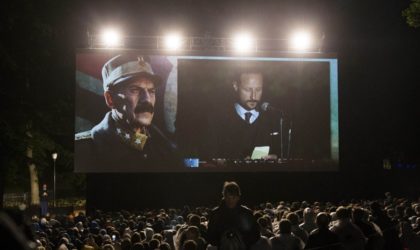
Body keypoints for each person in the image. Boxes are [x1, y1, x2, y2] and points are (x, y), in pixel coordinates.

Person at [75, 54, 178, 171]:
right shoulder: (83, 150)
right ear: (110, 99)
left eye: (151, 91)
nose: (147, 99)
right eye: (134, 90)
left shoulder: (166, 149)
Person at [206, 69, 282, 160]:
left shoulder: (273, 119)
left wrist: (276, 158)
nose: (253, 96)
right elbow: (207, 157)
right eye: (247, 90)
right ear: (235, 86)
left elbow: (285, 155)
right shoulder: (217, 120)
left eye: (258, 89)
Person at [207, 181, 260, 249]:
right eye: (228, 197)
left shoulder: (246, 213)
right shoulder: (215, 214)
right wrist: (223, 240)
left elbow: (255, 234)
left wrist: (241, 240)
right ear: (224, 196)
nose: (230, 200)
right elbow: (210, 235)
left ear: (238, 197)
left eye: (233, 197)